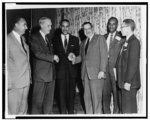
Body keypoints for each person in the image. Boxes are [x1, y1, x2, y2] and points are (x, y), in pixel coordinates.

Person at [70, 22, 108, 114]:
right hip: (85, 75)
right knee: (87, 99)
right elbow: (82, 58)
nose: (87, 31)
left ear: (92, 28)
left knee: (96, 100)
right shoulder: (83, 42)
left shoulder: (100, 38)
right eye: (84, 29)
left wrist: (102, 70)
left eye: (88, 28)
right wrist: (74, 59)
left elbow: (104, 55)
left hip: (97, 74)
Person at [30, 17, 59, 114]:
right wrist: (52, 57)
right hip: (41, 76)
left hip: (51, 75)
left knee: (49, 103)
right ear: (41, 25)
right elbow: (37, 53)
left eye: (51, 25)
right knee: (37, 104)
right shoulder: (34, 37)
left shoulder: (47, 38)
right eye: (48, 25)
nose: (51, 28)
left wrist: (55, 57)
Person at [53, 19, 80, 114]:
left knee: (71, 94)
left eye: (67, 26)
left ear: (69, 27)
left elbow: (78, 54)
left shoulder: (75, 39)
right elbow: (53, 54)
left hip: (72, 72)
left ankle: (71, 113)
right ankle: (63, 114)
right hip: (60, 72)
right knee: (61, 94)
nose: (65, 28)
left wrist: (74, 55)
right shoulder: (55, 39)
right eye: (63, 26)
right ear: (60, 27)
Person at [116, 19, 141, 113]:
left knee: (129, 110)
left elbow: (133, 64)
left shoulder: (134, 42)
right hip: (124, 81)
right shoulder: (126, 41)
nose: (120, 29)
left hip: (129, 83)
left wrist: (128, 81)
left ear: (129, 28)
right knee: (125, 109)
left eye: (122, 27)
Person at [7, 17, 31, 114]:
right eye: (24, 25)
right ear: (16, 25)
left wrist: (30, 78)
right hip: (14, 83)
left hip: (26, 81)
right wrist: (7, 82)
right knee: (14, 111)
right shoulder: (7, 39)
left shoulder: (23, 38)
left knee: (24, 109)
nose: (26, 27)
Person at [102, 17, 125, 114]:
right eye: (109, 24)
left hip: (116, 70)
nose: (111, 26)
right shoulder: (103, 37)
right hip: (105, 69)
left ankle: (116, 115)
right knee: (105, 94)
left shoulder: (122, 37)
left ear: (117, 25)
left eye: (114, 24)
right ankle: (106, 114)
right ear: (107, 25)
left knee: (116, 94)